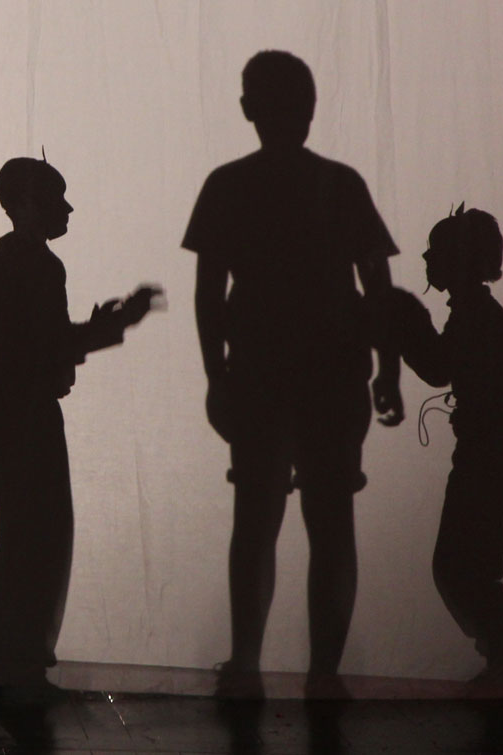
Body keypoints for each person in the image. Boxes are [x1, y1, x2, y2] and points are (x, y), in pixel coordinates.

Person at [183, 50, 404, 698]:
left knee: (258, 520)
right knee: (329, 522)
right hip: (330, 373)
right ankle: (320, 673)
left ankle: (248, 663)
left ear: (247, 108)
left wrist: (216, 374)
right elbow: (379, 285)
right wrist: (389, 368)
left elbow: (207, 293)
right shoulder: (340, 184)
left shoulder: (228, 185)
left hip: (260, 374)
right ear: (309, 109)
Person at [0, 156, 159, 690]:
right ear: (26, 205)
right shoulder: (36, 266)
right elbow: (45, 345)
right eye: (56, 198)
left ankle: (14, 656)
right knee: (37, 531)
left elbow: (42, 341)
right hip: (20, 404)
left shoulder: (27, 263)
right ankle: (18, 659)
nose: (67, 209)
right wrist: (116, 324)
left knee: (27, 529)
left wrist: (101, 328)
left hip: (10, 401)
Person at [382, 205, 503, 692]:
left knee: (461, 568)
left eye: (437, 250)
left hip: (487, 458)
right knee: (467, 567)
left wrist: (406, 324)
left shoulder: (476, 316)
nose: (427, 258)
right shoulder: (477, 313)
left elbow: (437, 367)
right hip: (488, 455)